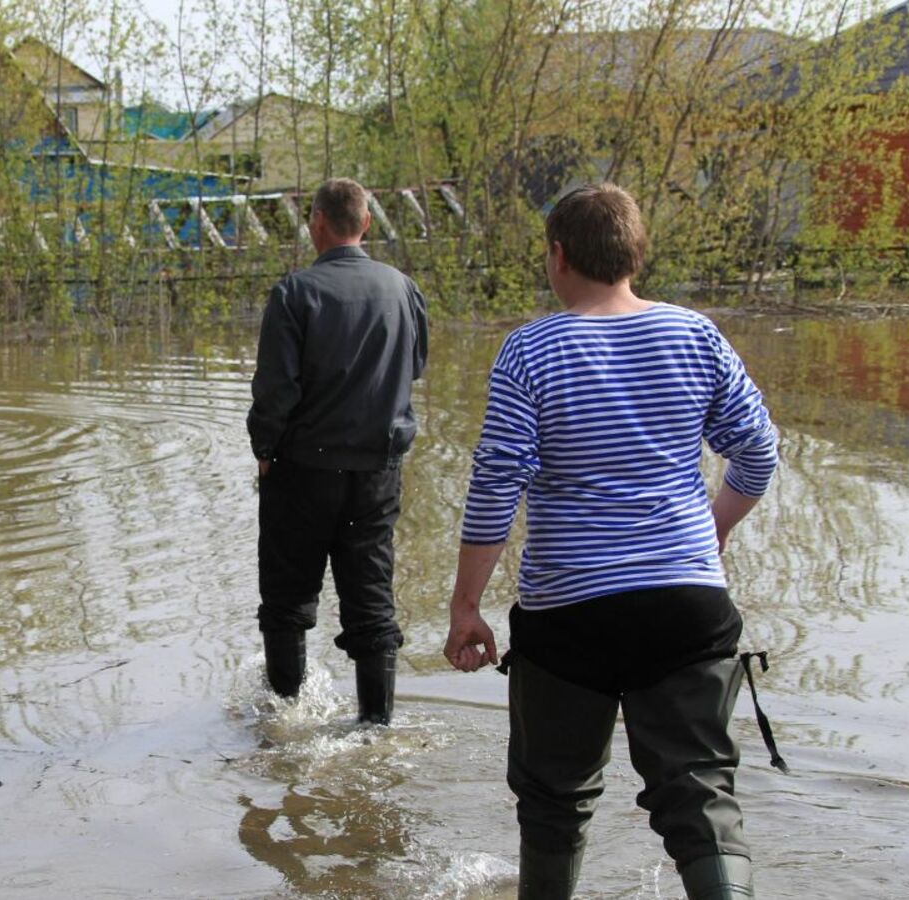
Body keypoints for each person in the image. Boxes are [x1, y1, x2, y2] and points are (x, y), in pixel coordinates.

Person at [442, 184, 777, 899]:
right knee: (699, 800)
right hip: (686, 608)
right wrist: (707, 535)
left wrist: (465, 607)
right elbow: (758, 455)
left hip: (569, 617)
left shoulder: (531, 351)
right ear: (634, 252)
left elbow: (497, 484)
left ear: (559, 257)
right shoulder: (696, 335)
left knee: (554, 803)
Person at [247, 177, 429, 726]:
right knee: (372, 599)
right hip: (377, 472)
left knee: (288, 599)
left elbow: (275, 390)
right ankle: (377, 726)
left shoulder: (294, 293)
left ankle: (284, 719)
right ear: (366, 223)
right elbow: (414, 366)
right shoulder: (404, 289)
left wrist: (263, 449)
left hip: (302, 471)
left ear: (317, 223)